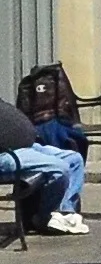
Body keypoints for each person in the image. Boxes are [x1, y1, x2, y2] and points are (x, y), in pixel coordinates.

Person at [0, 97, 89, 235]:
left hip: (26, 146)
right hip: (6, 155)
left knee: (74, 159)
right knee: (59, 168)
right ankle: (45, 217)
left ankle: (65, 213)